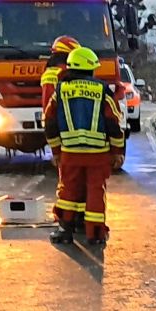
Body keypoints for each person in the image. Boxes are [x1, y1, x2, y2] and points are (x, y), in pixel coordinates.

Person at [44, 46, 125, 246]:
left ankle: (65, 231)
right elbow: (113, 122)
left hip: (70, 152)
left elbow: (49, 121)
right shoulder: (101, 90)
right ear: (91, 68)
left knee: (68, 191)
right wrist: (117, 152)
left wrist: (56, 151)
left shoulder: (61, 90)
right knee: (96, 191)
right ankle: (95, 234)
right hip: (98, 154)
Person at [42, 35, 84, 231]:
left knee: (66, 177)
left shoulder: (49, 73)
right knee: (73, 178)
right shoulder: (65, 73)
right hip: (72, 128)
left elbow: (47, 109)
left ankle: (67, 218)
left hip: (59, 130)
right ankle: (75, 218)